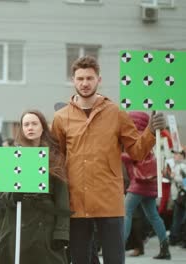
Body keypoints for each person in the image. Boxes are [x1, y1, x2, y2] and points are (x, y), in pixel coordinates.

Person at [52, 55, 166, 264]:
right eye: (80, 79)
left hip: (109, 201)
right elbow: (56, 160)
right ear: (73, 81)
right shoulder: (61, 118)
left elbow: (137, 152)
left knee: (114, 259)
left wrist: (151, 130)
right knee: (80, 260)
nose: (85, 83)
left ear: (99, 80)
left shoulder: (117, 113)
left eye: (89, 78)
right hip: (76, 201)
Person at [0, 110, 70, 264]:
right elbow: (1, 196)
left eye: (34, 124)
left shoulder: (55, 157)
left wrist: (61, 231)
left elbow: (62, 198)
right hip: (16, 224)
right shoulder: (11, 156)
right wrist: (14, 194)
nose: (30, 127)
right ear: (22, 129)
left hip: (46, 226)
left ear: (42, 127)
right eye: (26, 124)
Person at [122, 111, 170, 259]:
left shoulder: (139, 137)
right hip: (151, 184)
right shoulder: (153, 135)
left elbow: (135, 156)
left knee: (125, 212)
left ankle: (118, 246)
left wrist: (119, 154)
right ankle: (165, 248)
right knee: (153, 216)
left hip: (139, 184)